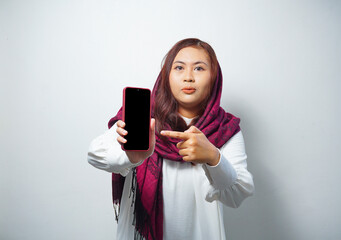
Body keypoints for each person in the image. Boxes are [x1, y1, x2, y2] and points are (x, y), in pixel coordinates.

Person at [87, 38, 254, 240]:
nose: (188, 77)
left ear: (214, 78)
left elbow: (237, 194)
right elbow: (95, 155)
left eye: (199, 68)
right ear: (166, 76)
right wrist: (131, 157)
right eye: (179, 68)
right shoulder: (142, 117)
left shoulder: (224, 128)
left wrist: (213, 157)